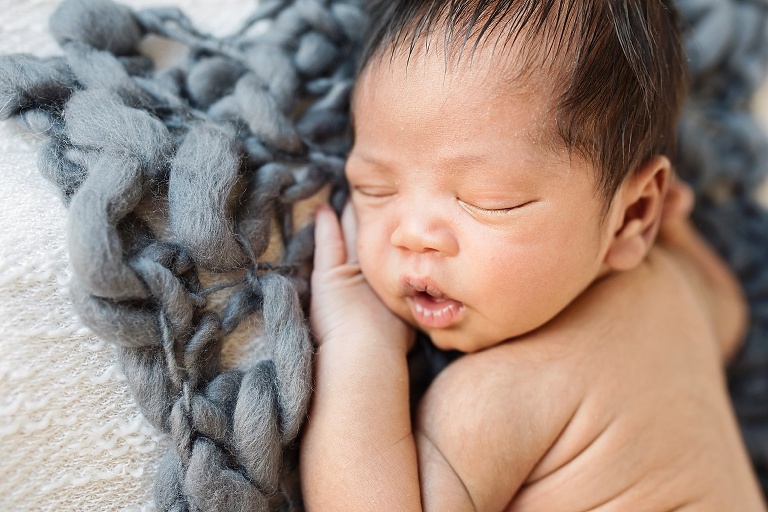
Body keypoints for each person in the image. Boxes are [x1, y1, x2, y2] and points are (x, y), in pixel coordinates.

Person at [300, 1, 767, 509]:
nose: (411, 236)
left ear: (633, 213)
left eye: (489, 200)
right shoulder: (678, 289)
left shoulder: (493, 401)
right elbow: (731, 314)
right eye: (373, 189)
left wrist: (359, 343)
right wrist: (676, 231)